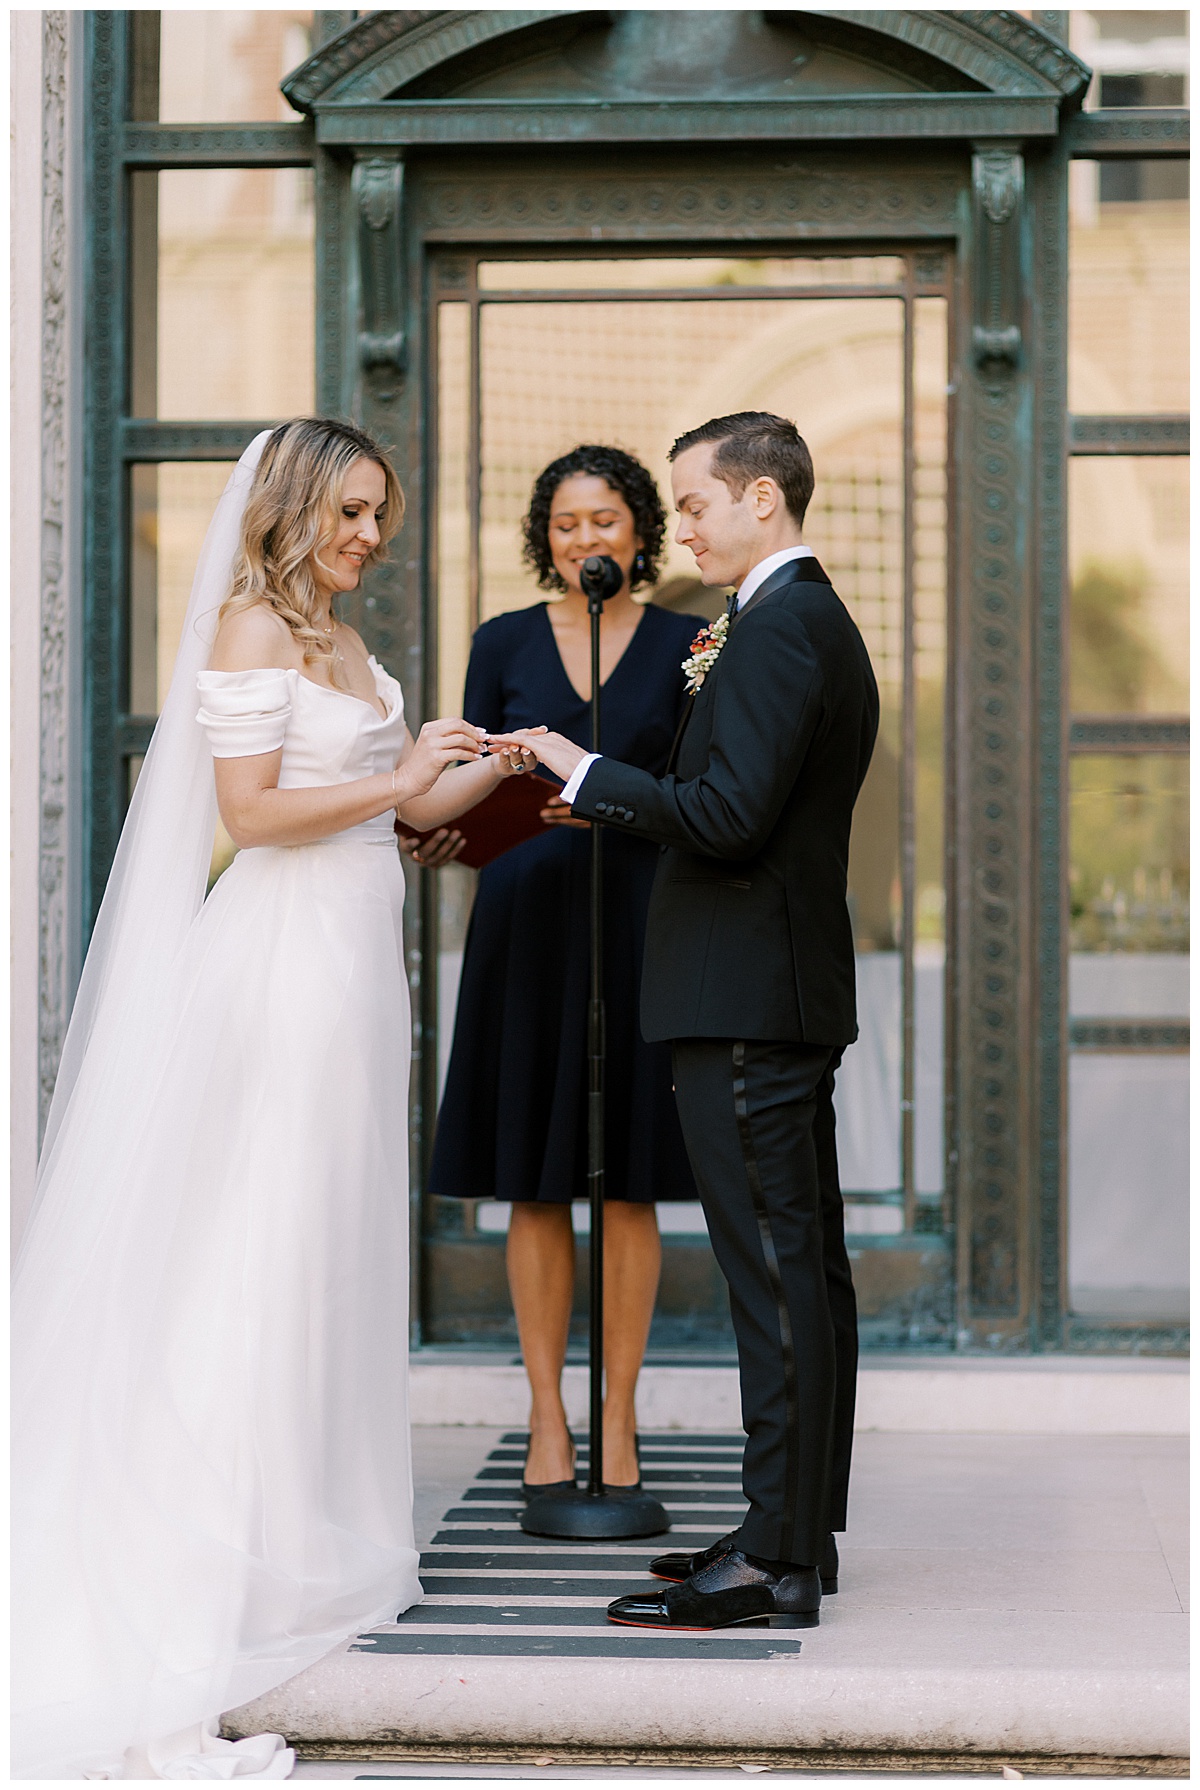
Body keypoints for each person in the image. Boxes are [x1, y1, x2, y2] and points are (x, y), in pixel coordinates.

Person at [11, 417, 537, 1779]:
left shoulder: (354, 651)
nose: (370, 536)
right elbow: (249, 815)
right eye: (353, 511)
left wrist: (480, 785)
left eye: (382, 516)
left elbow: (378, 816)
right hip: (280, 969)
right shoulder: (250, 631)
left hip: (355, 966)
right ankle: (218, 1546)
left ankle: (302, 1526)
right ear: (293, 505)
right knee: (254, 1246)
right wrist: (393, 777)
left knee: (317, 1251)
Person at [495, 412, 879, 1630]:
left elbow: (726, 815)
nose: (687, 524)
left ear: (762, 498)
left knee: (774, 1275)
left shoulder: (779, 630)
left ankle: (776, 1557)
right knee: (798, 1269)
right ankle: (790, 1530)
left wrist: (582, 766)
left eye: (698, 502)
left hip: (750, 998)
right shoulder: (783, 622)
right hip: (764, 989)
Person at [424, 446, 702, 1493]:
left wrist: (613, 799)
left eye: (606, 519)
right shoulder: (501, 641)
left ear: (641, 529)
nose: (587, 539)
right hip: (526, 921)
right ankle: (548, 1419)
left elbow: (703, 792)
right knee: (535, 1183)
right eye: (567, 523)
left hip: (639, 920)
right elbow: (462, 777)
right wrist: (449, 823)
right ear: (547, 538)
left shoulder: (691, 642)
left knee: (628, 1179)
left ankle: (618, 1420)